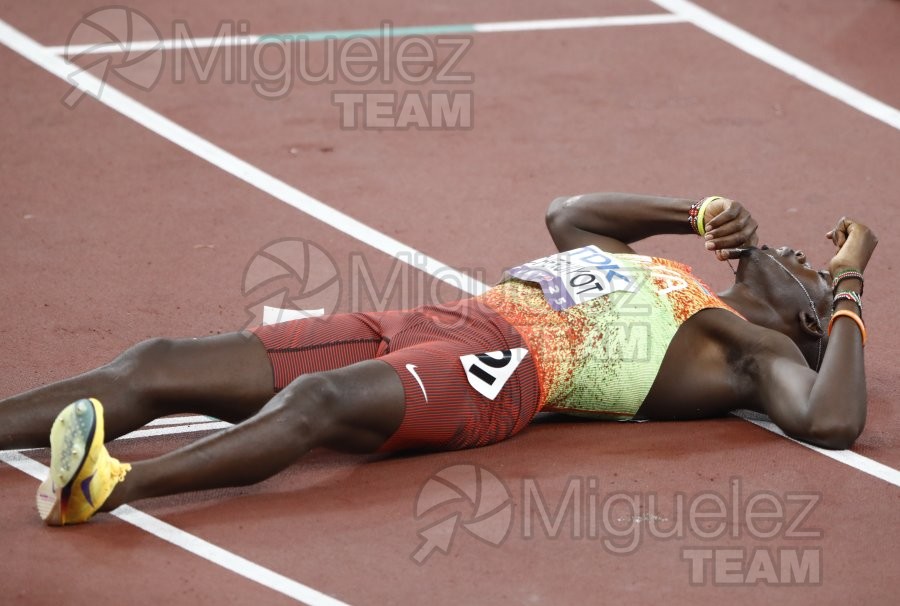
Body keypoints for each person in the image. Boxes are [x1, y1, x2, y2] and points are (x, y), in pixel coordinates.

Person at [0, 193, 877, 526]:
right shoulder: (673, 276)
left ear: (810, 313)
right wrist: (691, 214)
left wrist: (849, 283)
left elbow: (833, 417)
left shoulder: (747, 348)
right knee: (156, 361)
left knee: (317, 403)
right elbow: (571, 215)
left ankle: (110, 486)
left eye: (808, 267)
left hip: (505, 374)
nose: (797, 252)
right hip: (436, 319)